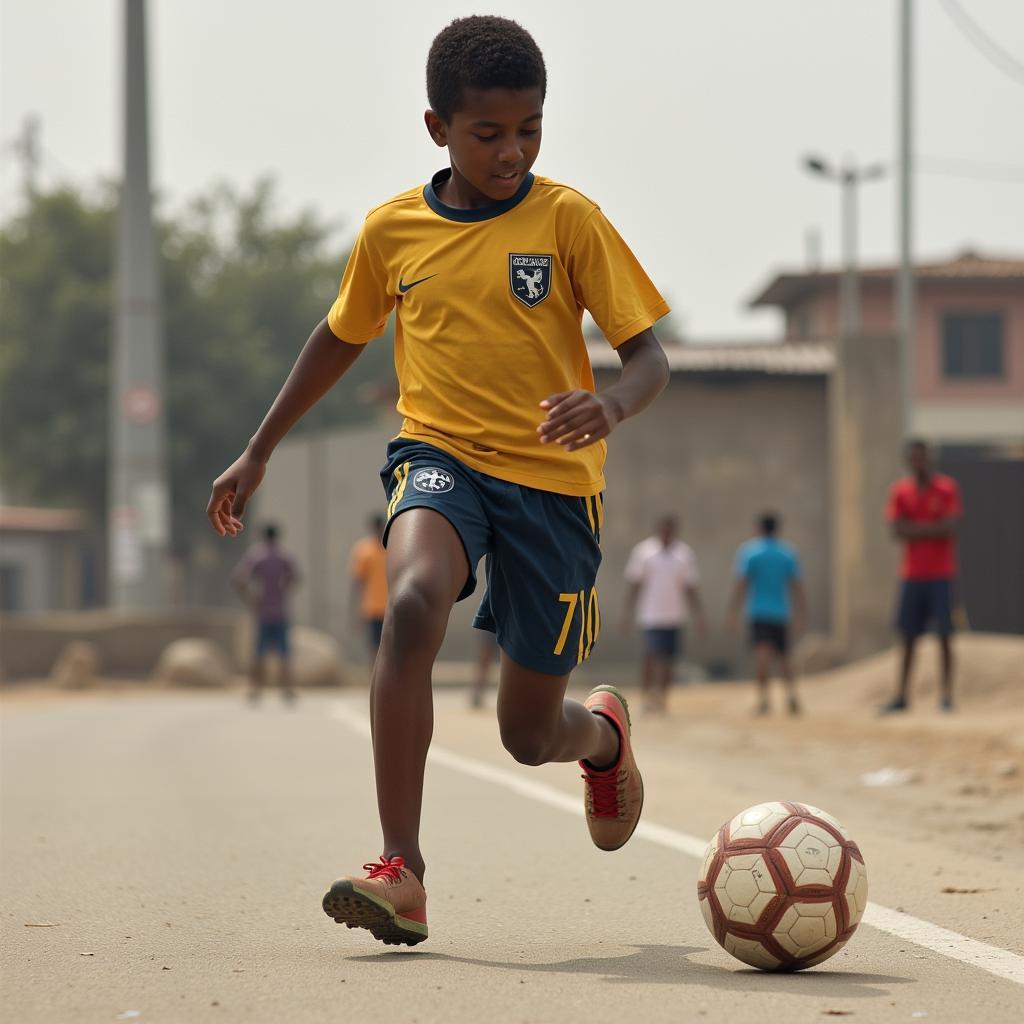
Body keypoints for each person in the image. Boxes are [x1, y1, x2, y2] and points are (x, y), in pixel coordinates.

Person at [206, 16, 670, 948]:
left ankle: (604, 738)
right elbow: (339, 336)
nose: (512, 151)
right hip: (440, 455)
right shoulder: (393, 231)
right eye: (488, 133)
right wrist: (259, 449)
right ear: (437, 128)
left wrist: (612, 405)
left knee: (526, 736)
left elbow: (648, 357)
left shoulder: (569, 219)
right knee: (414, 602)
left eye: (530, 129)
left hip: (552, 487)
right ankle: (401, 869)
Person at [883, 439, 963, 713]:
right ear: (907, 461)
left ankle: (947, 695)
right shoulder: (900, 491)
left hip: (941, 574)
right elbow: (896, 530)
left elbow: (949, 529)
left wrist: (913, 528)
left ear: (930, 458)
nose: (919, 462)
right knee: (907, 637)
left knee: (944, 636)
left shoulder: (946, 488)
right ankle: (902, 696)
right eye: (914, 458)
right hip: (912, 575)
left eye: (923, 457)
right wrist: (931, 528)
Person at [622, 515, 707, 714]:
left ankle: (662, 699)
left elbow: (690, 587)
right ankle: (646, 696)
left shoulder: (684, 554)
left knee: (669, 659)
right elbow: (635, 584)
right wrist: (627, 613)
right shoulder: (644, 552)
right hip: (650, 615)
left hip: (674, 615)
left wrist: (699, 615)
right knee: (650, 656)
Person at [727, 513, 806, 716]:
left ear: (759, 528)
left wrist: (733, 611)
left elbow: (742, 584)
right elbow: (796, 586)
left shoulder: (751, 552)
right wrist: (801, 613)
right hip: (781, 612)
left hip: (759, 611)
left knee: (762, 657)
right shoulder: (787, 553)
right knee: (784, 657)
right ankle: (791, 697)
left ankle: (763, 700)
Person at [231, 523, 300, 703]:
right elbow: (295, 577)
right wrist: (284, 591)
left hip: (262, 611)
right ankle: (287, 689)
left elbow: (240, 579)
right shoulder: (284, 555)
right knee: (284, 653)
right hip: (280, 610)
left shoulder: (256, 556)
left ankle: (255, 688)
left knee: (259, 652)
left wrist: (251, 599)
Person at [349, 514, 388, 660]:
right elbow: (358, 582)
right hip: (372, 608)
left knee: (390, 645)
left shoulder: (392, 547)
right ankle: (374, 676)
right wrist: (356, 610)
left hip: (390, 607)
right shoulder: (364, 551)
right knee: (374, 646)